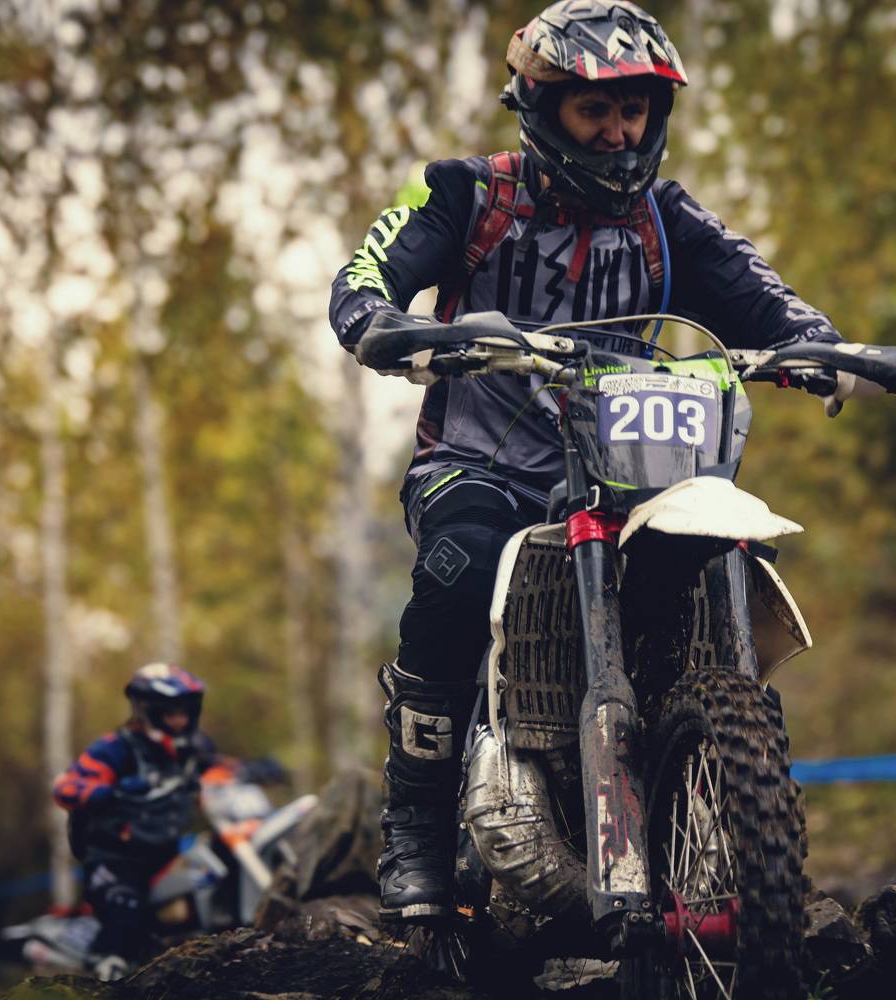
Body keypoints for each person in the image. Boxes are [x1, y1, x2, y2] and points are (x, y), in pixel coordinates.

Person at [328, 0, 851, 924]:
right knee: (458, 570)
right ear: (541, 107)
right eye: (594, 109)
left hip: (625, 472)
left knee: (701, 579)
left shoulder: (668, 218)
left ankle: (710, 790)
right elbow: (366, 273)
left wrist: (818, 344)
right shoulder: (462, 194)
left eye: (634, 110)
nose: (617, 133)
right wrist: (379, 320)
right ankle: (414, 827)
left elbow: (761, 293)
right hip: (481, 463)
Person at [52, 663, 217, 981]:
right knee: (124, 912)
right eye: (171, 713)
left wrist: (253, 770)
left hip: (167, 856)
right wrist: (112, 792)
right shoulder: (116, 748)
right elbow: (66, 788)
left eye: (186, 712)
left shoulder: (193, 748)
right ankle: (105, 972)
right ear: (148, 710)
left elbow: (220, 770)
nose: (180, 720)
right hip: (115, 859)